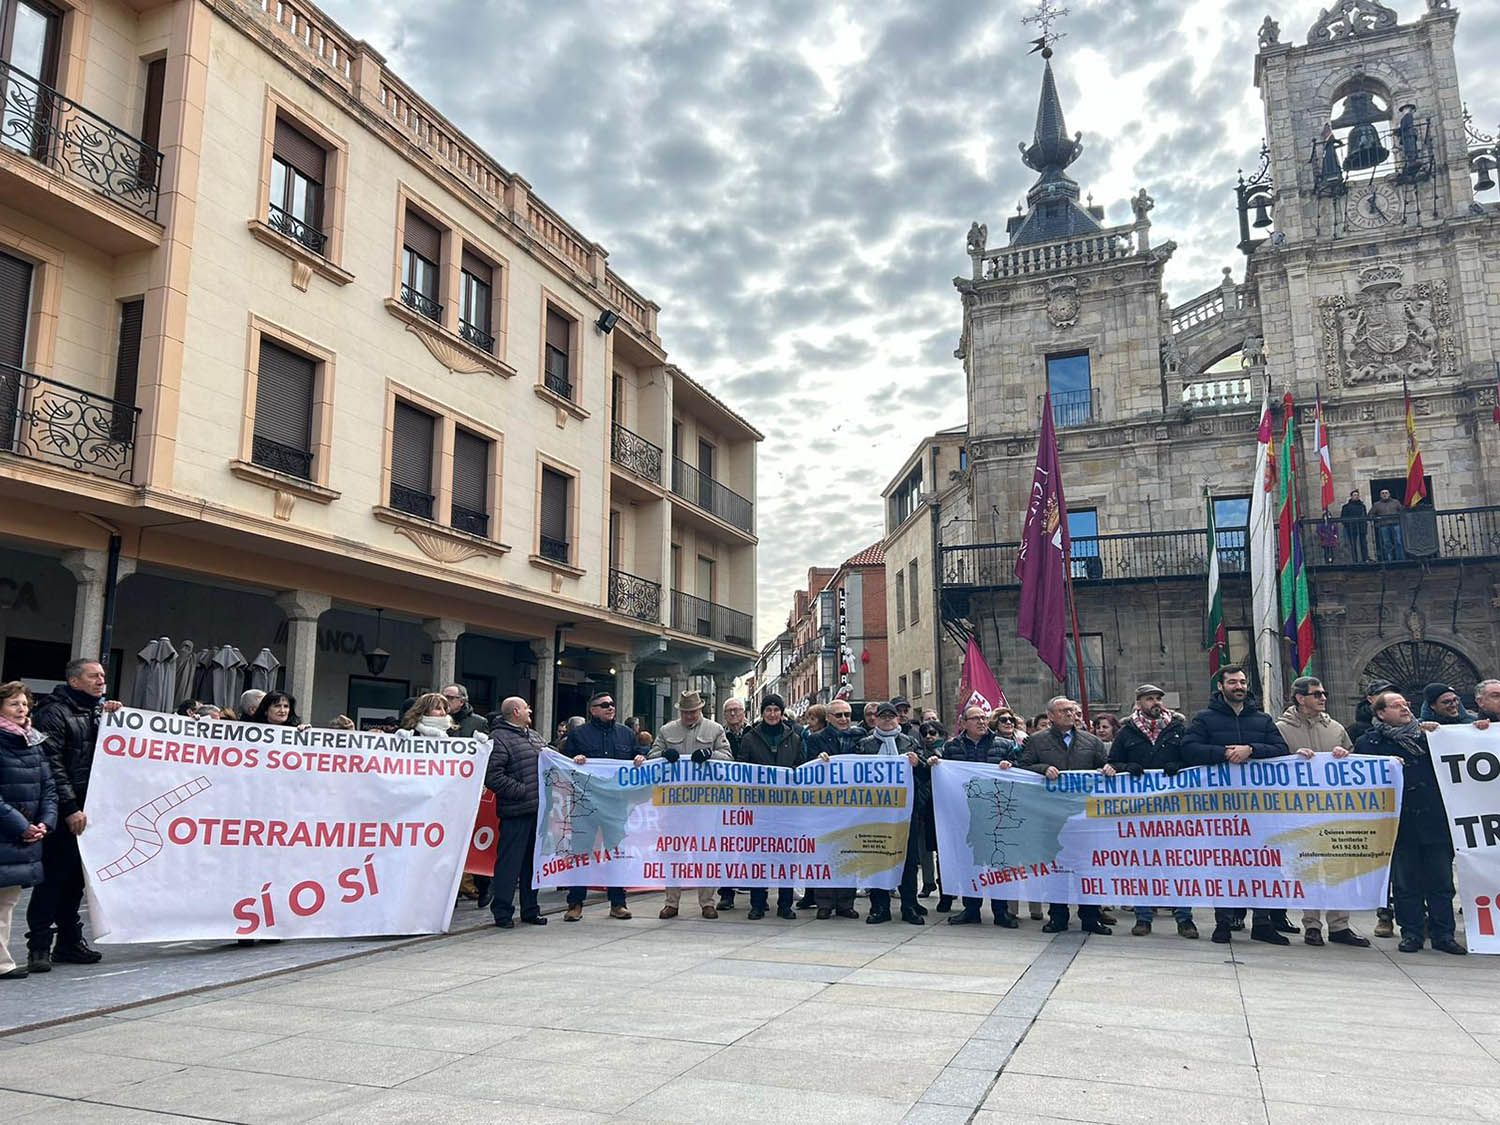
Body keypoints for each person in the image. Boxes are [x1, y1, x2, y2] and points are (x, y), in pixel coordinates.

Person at [1181, 665, 1291, 945]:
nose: (1239, 686)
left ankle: (1263, 922)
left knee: (1262, 864)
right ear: (1221, 687)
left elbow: (1281, 751)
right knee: (1224, 864)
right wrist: (1223, 753)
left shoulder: (1263, 720)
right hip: (1220, 808)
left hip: (1259, 809)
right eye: (1232, 682)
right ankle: (1223, 922)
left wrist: (1252, 750)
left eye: (1242, 681)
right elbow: (1189, 749)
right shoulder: (1204, 719)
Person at [26, 659, 120, 970]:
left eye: (103, 676)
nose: (101, 681)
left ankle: (69, 942)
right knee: (53, 877)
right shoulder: (54, 712)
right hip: (68, 807)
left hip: (93, 808)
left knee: (76, 881)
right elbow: (53, 764)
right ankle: (39, 945)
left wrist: (115, 719)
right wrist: (69, 808)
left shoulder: (99, 711)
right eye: (94, 676)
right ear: (75, 681)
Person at [1354, 692, 1465, 954]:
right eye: (1396, 705)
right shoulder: (1369, 742)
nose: (1405, 708)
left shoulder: (1431, 736)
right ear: (1380, 713)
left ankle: (1443, 934)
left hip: (1433, 821)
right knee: (1406, 884)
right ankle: (1412, 933)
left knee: (1441, 883)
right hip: (1399, 825)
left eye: (1406, 704)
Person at [1005, 696, 1114, 935]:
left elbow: (1107, 765)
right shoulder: (1036, 741)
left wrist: (1107, 769)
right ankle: (1058, 915)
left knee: (1087, 868)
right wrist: (1043, 769)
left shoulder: (1091, 741)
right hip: (1051, 817)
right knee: (1056, 869)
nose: (1070, 714)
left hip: (1084, 816)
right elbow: (1022, 767)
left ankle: (1090, 916)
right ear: (1051, 716)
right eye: (1064, 711)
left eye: (1072, 711)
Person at [1273, 677, 1369, 948]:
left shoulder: (1336, 728)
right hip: (1300, 812)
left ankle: (1340, 925)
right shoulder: (1281, 729)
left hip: (1334, 810)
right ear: (1300, 698)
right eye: (1316, 694)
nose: (1323, 698)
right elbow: (1271, 763)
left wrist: (1344, 754)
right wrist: (1292, 758)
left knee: (1339, 868)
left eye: (1324, 693)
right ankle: (1312, 925)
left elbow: (1355, 760)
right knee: (1309, 870)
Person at [1108, 685, 1197, 939]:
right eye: (1150, 699)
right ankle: (1143, 917)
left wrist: (1177, 765)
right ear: (1138, 703)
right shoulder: (1127, 732)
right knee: (1143, 864)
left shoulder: (1178, 729)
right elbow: (1113, 762)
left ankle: (1185, 919)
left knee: (1178, 865)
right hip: (1141, 811)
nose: (1156, 702)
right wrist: (1128, 766)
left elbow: (1191, 759)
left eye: (1159, 698)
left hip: (1173, 810)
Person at [650, 690, 732, 919]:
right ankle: (671, 902)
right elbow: (651, 756)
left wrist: (710, 754)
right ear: (680, 711)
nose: (689, 716)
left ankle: (707, 902)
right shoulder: (667, 730)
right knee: (673, 851)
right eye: (685, 712)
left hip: (705, 803)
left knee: (705, 852)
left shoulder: (714, 729)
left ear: (700, 709)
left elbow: (728, 757)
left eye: (693, 712)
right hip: (674, 803)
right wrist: (664, 754)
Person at [939, 705, 1020, 927]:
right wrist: (935, 763)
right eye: (975, 718)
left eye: (984, 718)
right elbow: (943, 772)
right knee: (968, 862)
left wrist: (1010, 766)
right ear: (963, 723)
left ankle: (1000, 911)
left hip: (997, 813)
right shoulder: (952, 747)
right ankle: (971, 908)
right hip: (964, 813)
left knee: (998, 862)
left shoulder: (1004, 745)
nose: (982, 722)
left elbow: (1021, 770)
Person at [561, 691, 637, 921]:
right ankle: (575, 904)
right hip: (586, 805)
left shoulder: (625, 734)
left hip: (615, 804)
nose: (610, 708)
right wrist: (575, 761)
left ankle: (618, 903)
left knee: (616, 852)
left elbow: (637, 756)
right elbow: (563, 763)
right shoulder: (578, 735)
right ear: (592, 710)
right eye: (604, 705)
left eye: (612, 704)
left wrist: (640, 759)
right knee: (581, 854)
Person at [1, 682, 57, 980]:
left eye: (24, 704)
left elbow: (48, 787)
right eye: (13, 704)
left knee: (7, 902)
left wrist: (45, 823)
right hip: (10, 832)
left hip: (23, 835)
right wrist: (23, 827)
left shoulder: (33, 741)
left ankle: (2, 961)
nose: (21, 709)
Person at [859, 702, 926, 925]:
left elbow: (926, 773)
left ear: (898, 719)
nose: (887, 720)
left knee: (908, 860)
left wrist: (918, 764)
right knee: (877, 859)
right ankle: (879, 907)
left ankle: (909, 906)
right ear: (875, 720)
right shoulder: (865, 744)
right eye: (883, 717)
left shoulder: (910, 742)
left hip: (905, 812)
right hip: (875, 813)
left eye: (891, 716)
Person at [737, 694, 803, 919]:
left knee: (786, 855)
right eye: (768, 710)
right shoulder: (750, 737)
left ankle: (785, 904)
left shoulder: (794, 737)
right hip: (759, 807)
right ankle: (758, 903)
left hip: (787, 807)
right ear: (762, 713)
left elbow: (801, 766)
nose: (772, 714)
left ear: (782, 713)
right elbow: (742, 767)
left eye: (776, 710)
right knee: (759, 854)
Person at [484, 697, 548, 929]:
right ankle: (502, 912)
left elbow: (552, 758)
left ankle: (531, 909)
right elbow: (493, 776)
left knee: (532, 865)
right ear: (515, 711)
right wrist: (522, 791)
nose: (530, 709)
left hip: (537, 811)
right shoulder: (499, 739)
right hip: (516, 811)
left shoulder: (534, 736)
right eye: (526, 707)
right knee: (509, 864)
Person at [802, 699, 866, 919]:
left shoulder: (860, 737)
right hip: (825, 807)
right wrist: (817, 761)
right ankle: (825, 902)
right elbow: (807, 768)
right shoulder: (815, 740)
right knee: (826, 853)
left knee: (848, 852)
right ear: (828, 718)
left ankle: (846, 903)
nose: (844, 719)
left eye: (847, 715)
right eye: (838, 715)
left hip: (851, 805)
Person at [914, 721, 946, 898]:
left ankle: (945, 884)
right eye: (924, 733)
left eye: (933, 733)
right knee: (923, 848)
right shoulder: (919, 752)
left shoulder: (949, 751)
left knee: (944, 849)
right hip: (923, 805)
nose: (929, 736)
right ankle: (928, 882)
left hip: (943, 806)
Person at [1370, 488, 1404, 561]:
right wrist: (1377, 520)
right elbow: (1370, 514)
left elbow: (1402, 511)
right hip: (1383, 526)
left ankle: (1400, 559)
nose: (1384, 494)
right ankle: (1389, 560)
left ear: (1389, 494)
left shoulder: (1396, 502)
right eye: (1383, 493)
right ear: (1380, 495)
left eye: (1386, 493)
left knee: (1398, 542)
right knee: (1386, 543)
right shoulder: (1376, 504)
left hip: (1396, 524)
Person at [1340, 489, 1369, 563]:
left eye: (1357, 495)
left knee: (1363, 544)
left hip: (1361, 527)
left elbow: (1365, 516)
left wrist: (1364, 525)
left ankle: (1365, 559)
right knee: (1353, 545)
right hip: (1351, 528)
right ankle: (1355, 560)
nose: (1356, 496)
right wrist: (1348, 525)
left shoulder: (1362, 506)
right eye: (1354, 495)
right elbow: (1343, 518)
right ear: (1351, 496)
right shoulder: (1346, 507)